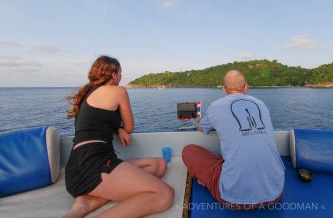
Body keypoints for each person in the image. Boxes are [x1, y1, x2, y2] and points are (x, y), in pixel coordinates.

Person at [63, 55, 174, 218]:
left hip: (78, 166)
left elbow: (97, 119)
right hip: (93, 164)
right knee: (165, 195)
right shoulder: (118, 91)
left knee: (159, 165)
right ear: (113, 74)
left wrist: (117, 128)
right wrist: (122, 128)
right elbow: (129, 127)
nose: (122, 76)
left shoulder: (87, 93)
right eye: (120, 72)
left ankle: (87, 203)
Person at [182, 70, 285, 209]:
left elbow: (201, 128)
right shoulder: (261, 104)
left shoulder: (216, 106)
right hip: (275, 192)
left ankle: (207, 181)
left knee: (188, 150)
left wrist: (203, 122)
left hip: (233, 197)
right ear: (246, 87)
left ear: (223, 89)